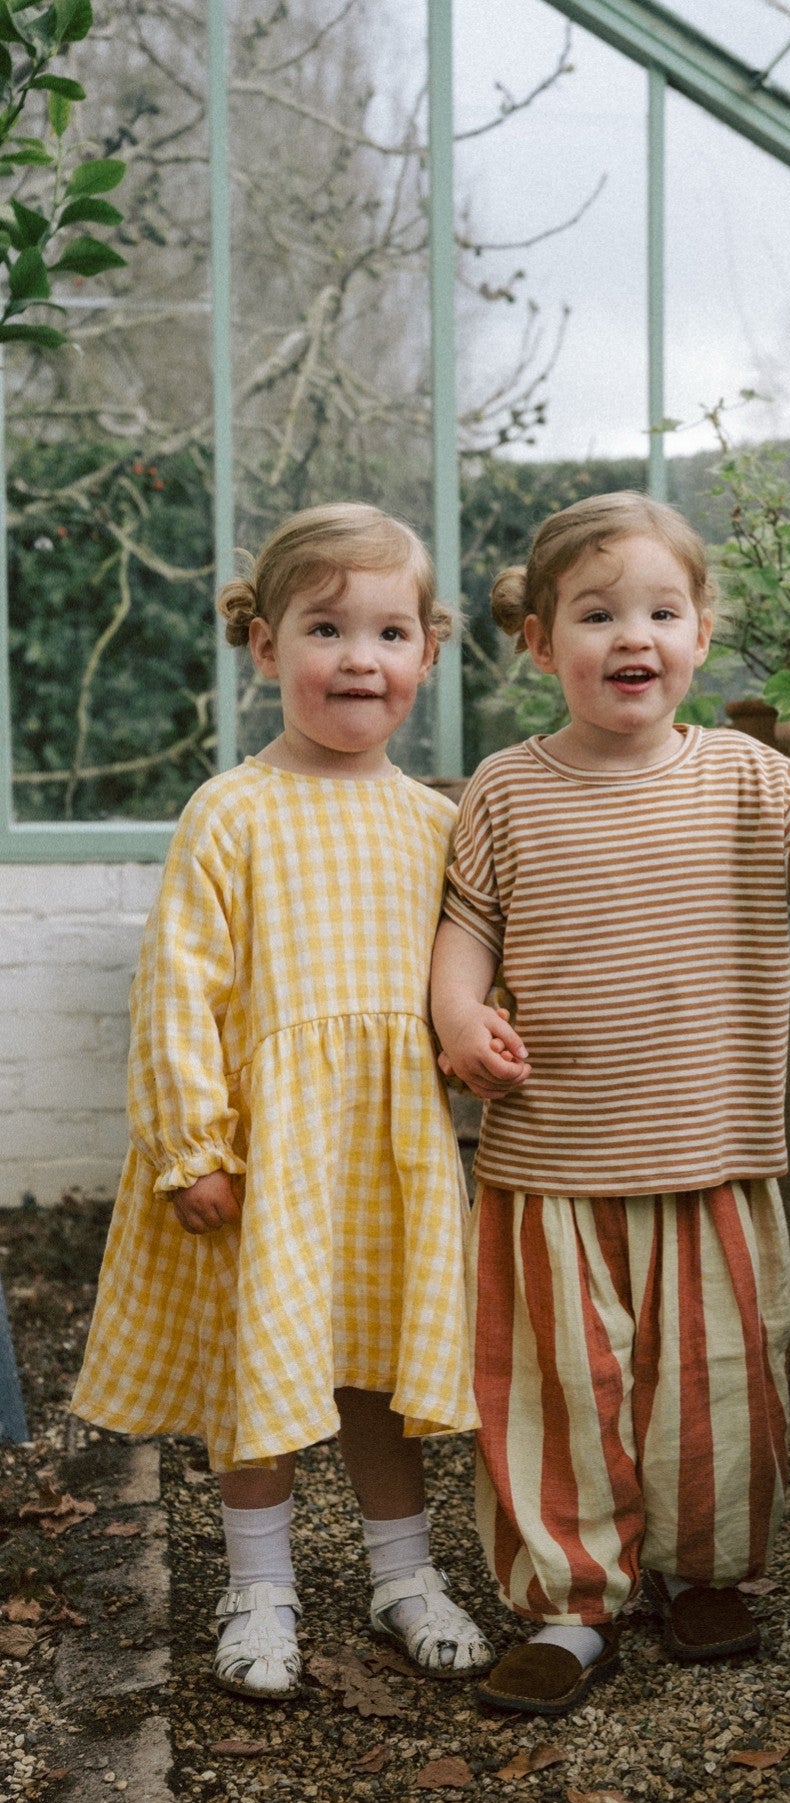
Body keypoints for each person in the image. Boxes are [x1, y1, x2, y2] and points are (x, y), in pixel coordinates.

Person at [431, 491, 790, 1716]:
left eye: (660, 610)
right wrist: (456, 1016)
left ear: (702, 634)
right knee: (556, 1392)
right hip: (552, 1159)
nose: (632, 637)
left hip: (709, 1149)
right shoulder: (506, 789)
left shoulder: (745, 776)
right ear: (543, 645)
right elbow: (466, 925)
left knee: (714, 1380)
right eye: (597, 615)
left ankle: (705, 1572)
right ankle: (569, 1604)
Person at [72, 503, 492, 1701]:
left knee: (376, 1373)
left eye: (389, 631)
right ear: (265, 648)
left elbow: (467, 981)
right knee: (261, 1381)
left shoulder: (437, 824)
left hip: (388, 1150)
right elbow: (178, 993)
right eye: (324, 628)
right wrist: (194, 1145)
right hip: (269, 1156)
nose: (358, 657)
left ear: (425, 653)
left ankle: (402, 1574)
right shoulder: (232, 810)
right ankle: (260, 1589)